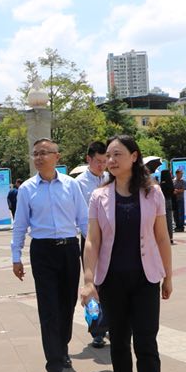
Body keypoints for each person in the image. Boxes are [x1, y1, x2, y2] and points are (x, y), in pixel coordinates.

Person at [80, 134, 172, 372]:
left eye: (117, 154)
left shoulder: (153, 193)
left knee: (146, 342)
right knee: (119, 340)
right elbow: (92, 240)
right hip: (112, 281)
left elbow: (162, 237)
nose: (111, 160)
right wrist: (88, 280)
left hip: (146, 279)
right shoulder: (99, 196)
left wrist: (168, 276)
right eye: (108, 155)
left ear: (134, 156)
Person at [12, 138, 88, 372]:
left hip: (69, 249)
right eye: (35, 153)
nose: (39, 157)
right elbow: (20, 225)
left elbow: (84, 220)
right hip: (42, 251)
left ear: (57, 156)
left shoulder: (71, 185)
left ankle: (62, 347)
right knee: (48, 309)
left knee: (67, 305)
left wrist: (93, 253)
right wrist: (16, 257)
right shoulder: (27, 189)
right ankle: (54, 365)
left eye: (44, 153)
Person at [75, 140, 108, 348]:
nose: (102, 165)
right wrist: (91, 239)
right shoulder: (79, 183)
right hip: (89, 239)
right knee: (92, 282)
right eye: (98, 161)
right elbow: (79, 215)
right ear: (89, 159)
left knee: (110, 282)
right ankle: (97, 330)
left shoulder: (110, 178)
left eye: (105, 161)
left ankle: (110, 322)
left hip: (110, 239)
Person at [158, 170, 175, 244]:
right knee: (169, 220)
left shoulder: (161, 184)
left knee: (162, 221)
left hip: (162, 201)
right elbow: (172, 191)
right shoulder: (170, 182)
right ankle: (170, 237)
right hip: (169, 200)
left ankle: (165, 237)